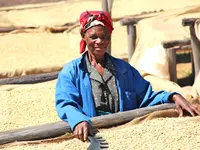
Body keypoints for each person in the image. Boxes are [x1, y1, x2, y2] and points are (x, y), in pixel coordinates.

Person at [55, 10, 200, 142]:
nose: (100, 41)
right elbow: (66, 103)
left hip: (125, 133)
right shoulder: (72, 71)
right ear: (83, 36)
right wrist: (78, 120)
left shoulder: (124, 69)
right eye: (93, 37)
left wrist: (172, 96)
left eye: (104, 37)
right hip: (92, 134)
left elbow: (146, 97)